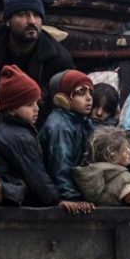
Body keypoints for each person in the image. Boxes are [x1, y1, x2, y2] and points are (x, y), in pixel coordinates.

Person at [0, 65, 94, 214]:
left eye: (37, 102)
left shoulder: (13, 129)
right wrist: (58, 200)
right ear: (11, 109)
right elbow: (36, 174)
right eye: (29, 104)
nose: (36, 109)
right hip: (18, 197)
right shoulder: (19, 137)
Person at [0, 0, 74, 130]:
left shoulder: (58, 58)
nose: (31, 21)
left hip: (33, 131)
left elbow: (63, 104)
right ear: (8, 21)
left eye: (36, 15)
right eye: (22, 14)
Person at [39, 69, 94, 201]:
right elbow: (60, 167)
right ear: (62, 98)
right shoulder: (59, 126)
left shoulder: (82, 121)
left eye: (90, 92)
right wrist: (71, 197)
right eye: (81, 92)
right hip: (64, 194)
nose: (89, 98)